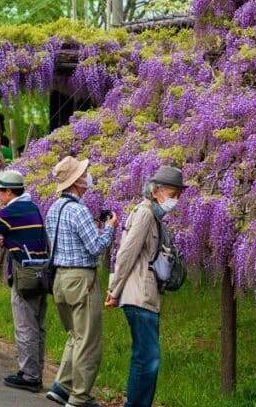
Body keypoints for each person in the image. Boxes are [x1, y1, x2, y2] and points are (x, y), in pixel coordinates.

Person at [105, 166, 184, 407]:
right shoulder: (145, 213)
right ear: (156, 191)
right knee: (148, 359)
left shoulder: (155, 217)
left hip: (147, 296)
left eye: (178, 194)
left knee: (145, 357)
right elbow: (126, 253)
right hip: (138, 295)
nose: (176, 199)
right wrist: (114, 290)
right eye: (173, 193)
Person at [45, 156, 117, 407]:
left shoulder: (54, 209)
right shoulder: (78, 210)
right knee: (88, 341)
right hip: (80, 279)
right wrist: (110, 227)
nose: (88, 177)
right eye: (84, 174)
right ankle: (80, 397)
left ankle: (62, 386)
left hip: (60, 280)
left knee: (75, 336)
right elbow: (96, 247)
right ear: (76, 182)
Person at [0, 169, 49, 392]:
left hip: (24, 275)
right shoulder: (33, 208)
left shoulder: (11, 212)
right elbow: (28, 238)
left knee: (25, 326)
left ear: (9, 192)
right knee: (38, 326)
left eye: (0, 192)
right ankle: (36, 371)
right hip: (41, 274)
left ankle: (29, 376)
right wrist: (7, 240)